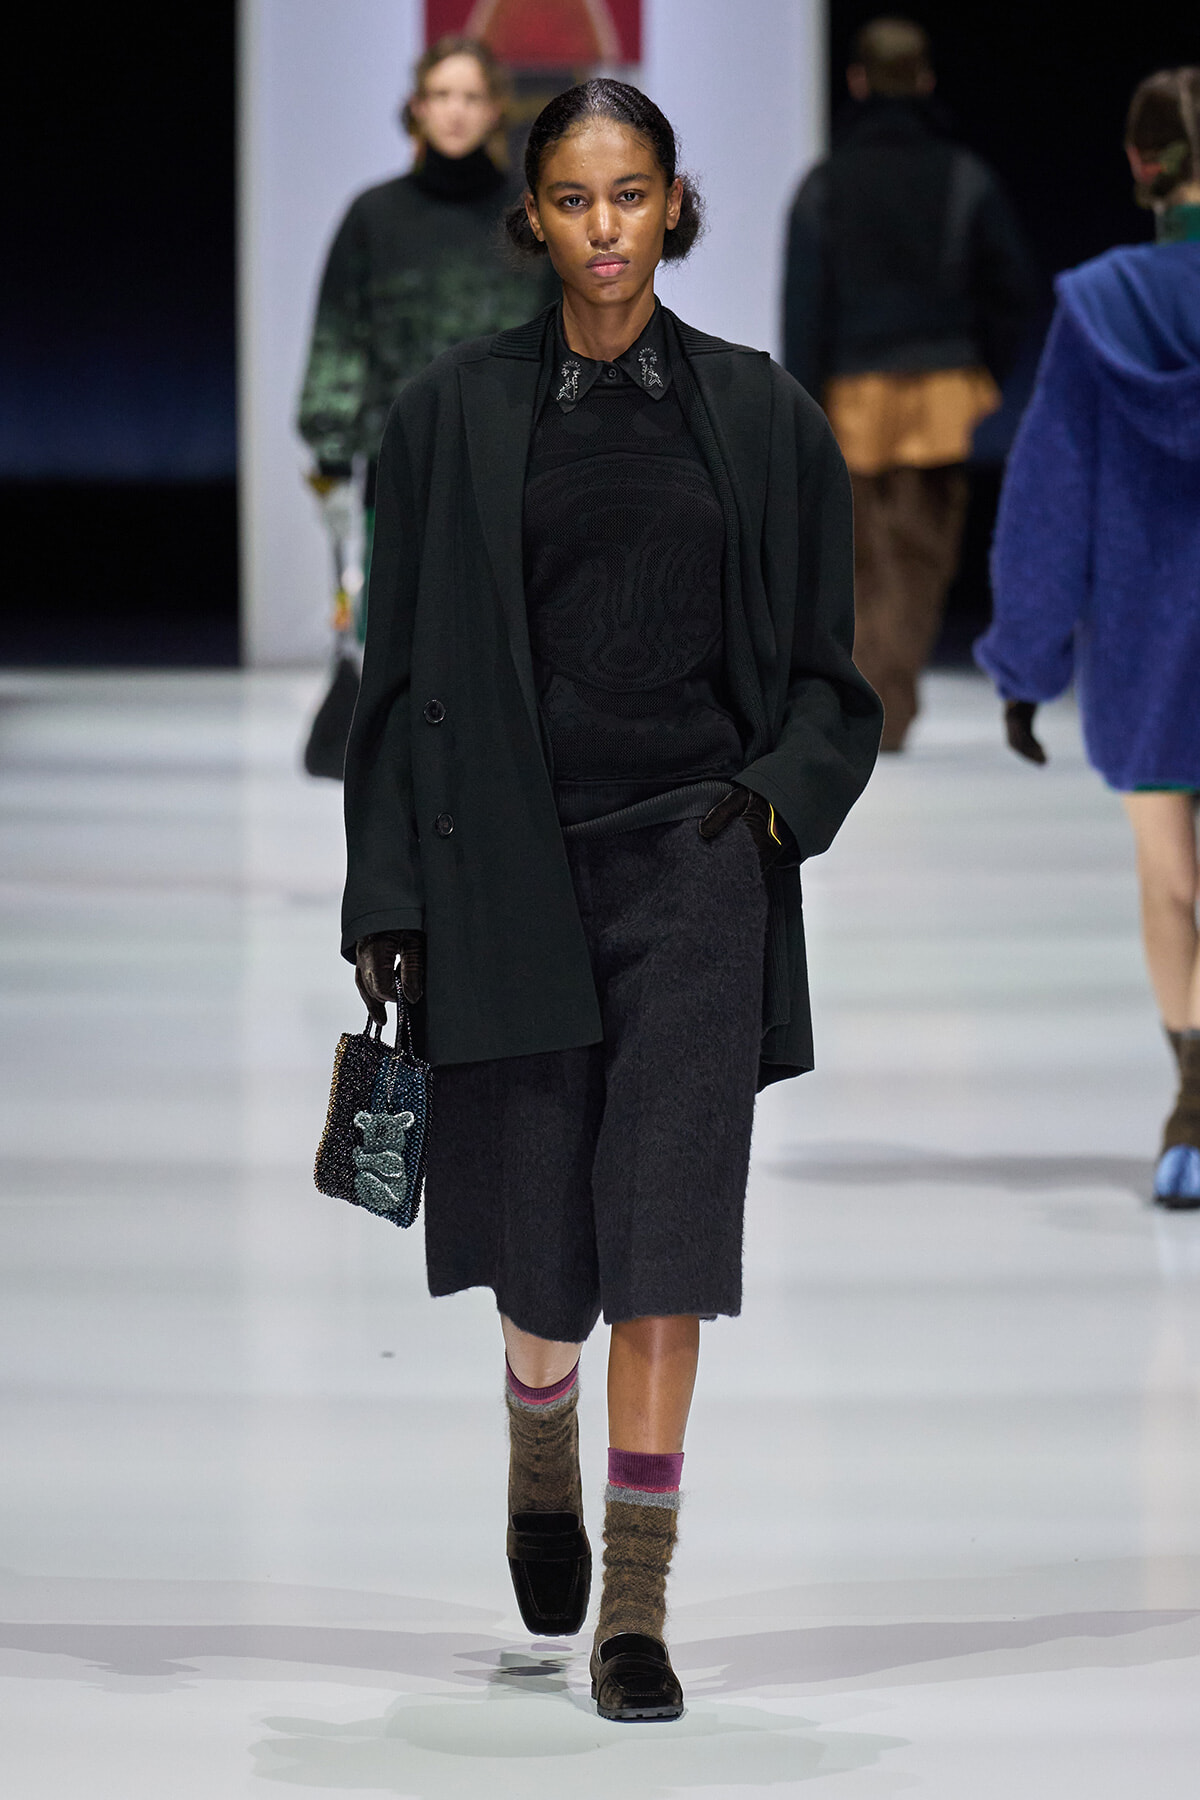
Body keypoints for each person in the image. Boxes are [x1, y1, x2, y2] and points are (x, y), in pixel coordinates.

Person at [341, 80, 882, 1720]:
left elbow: (828, 683)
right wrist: (389, 891)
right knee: (546, 1266)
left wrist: (772, 806)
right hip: (510, 868)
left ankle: (636, 1607)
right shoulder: (449, 420)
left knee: (663, 1243)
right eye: (573, 201)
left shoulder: (763, 416)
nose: (603, 230)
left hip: (696, 870)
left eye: (630, 195)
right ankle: (538, 1434)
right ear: (533, 216)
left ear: (673, 203)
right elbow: (401, 677)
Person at [975, 68, 1200, 1208]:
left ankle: (1190, 1108)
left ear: (1140, 168)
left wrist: (1025, 662)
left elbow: (1049, 495)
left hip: (1151, 631)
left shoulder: (1104, 305)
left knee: (1169, 878)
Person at [296, 34, 555, 774]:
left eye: (471, 96)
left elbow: (563, 332)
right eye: (441, 95)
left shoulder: (530, 217)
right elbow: (340, 331)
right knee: (399, 628)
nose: (455, 111)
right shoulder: (374, 217)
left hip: (517, 454)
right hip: (400, 457)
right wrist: (328, 446)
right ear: (416, 107)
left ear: (496, 106)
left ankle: (503, 771)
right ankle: (413, 776)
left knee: (516, 625)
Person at [783, 16, 1034, 751]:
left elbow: (804, 305)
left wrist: (802, 406)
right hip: (940, 388)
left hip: (850, 391)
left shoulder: (825, 185)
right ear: (924, 81)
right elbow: (1013, 293)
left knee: (856, 558)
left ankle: (870, 706)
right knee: (919, 558)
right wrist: (982, 367)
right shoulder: (966, 178)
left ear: (857, 82)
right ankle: (887, 703)